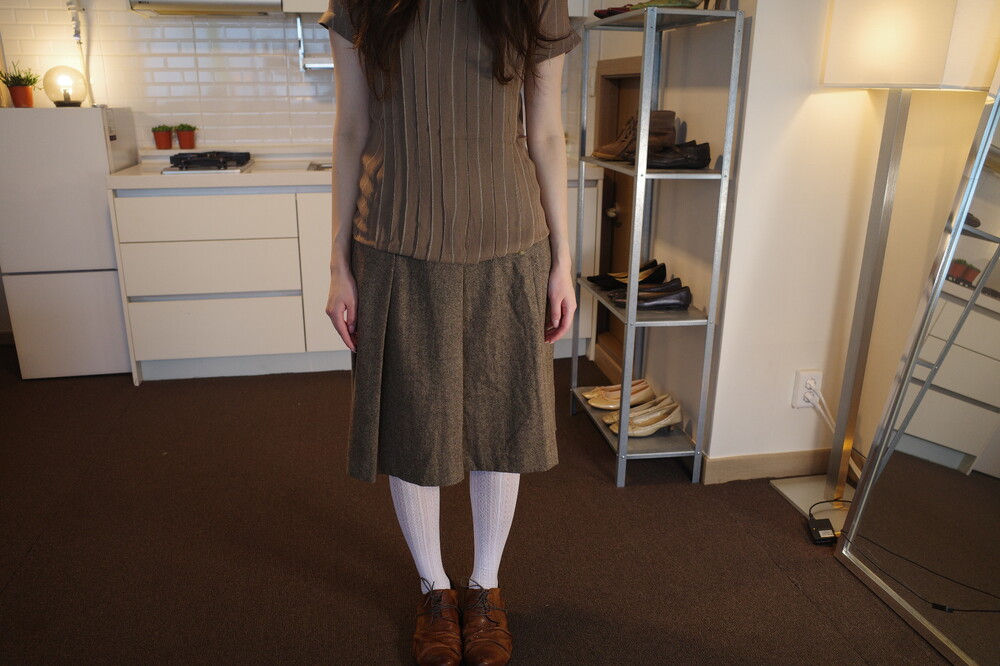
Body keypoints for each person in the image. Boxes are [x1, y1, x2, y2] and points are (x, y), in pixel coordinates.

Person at [319, 1, 581, 663]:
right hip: (394, 241)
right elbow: (351, 129)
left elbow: (547, 133)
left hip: (511, 240)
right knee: (414, 426)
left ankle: (484, 586)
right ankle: (434, 587)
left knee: (501, 423)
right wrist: (338, 264)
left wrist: (564, 261)